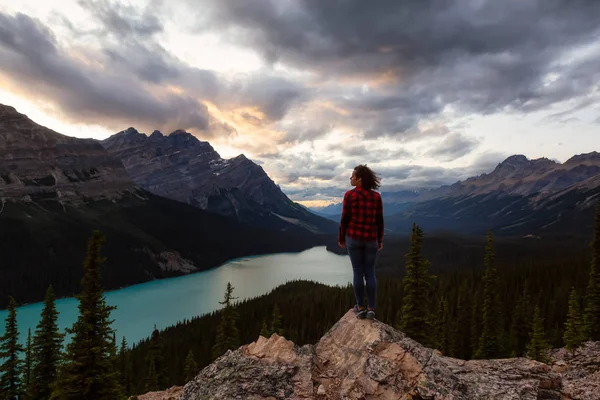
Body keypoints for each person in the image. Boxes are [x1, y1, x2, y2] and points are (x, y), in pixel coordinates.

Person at [338, 164, 384, 320]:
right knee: (369, 273)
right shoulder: (376, 197)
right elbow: (379, 221)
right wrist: (379, 240)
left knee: (358, 272)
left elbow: (344, 219)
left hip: (354, 239)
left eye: (353, 176)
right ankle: (371, 309)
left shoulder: (349, 196)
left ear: (359, 179)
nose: (350, 178)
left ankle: (360, 307)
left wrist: (341, 237)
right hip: (371, 239)